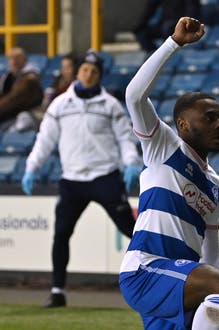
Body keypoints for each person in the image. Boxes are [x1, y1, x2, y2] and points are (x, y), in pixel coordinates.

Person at [56, 17, 219, 330]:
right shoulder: (162, 146)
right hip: (145, 272)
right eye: (210, 117)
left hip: (177, 280)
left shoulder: (216, 185)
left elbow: (212, 253)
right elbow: (135, 94)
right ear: (183, 124)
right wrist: (173, 43)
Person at [21, 49, 141, 308]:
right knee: (61, 233)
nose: (88, 74)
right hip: (72, 180)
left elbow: (125, 138)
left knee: (132, 230)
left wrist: (131, 163)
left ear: (99, 76)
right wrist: (32, 167)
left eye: (94, 71)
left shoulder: (110, 105)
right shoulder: (60, 105)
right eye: (85, 70)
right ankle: (57, 291)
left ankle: (162, 278)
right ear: (77, 72)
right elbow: (44, 140)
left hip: (105, 176)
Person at [0, 47, 44, 131]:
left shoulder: (29, 79)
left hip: (24, 115)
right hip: (9, 114)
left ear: (24, 60)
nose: (13, 62)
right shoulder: (8, 76)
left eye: (17, 58)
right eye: (10, 58)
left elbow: (13, 100)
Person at [133, 0, 201, 53]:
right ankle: (153, 53)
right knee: (142, 33)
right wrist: (140, 26)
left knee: (167, 28)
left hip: (181, 26)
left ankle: (169, 54)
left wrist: (186, 25)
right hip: (163, 25)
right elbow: (149, 9)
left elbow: (192, 11)